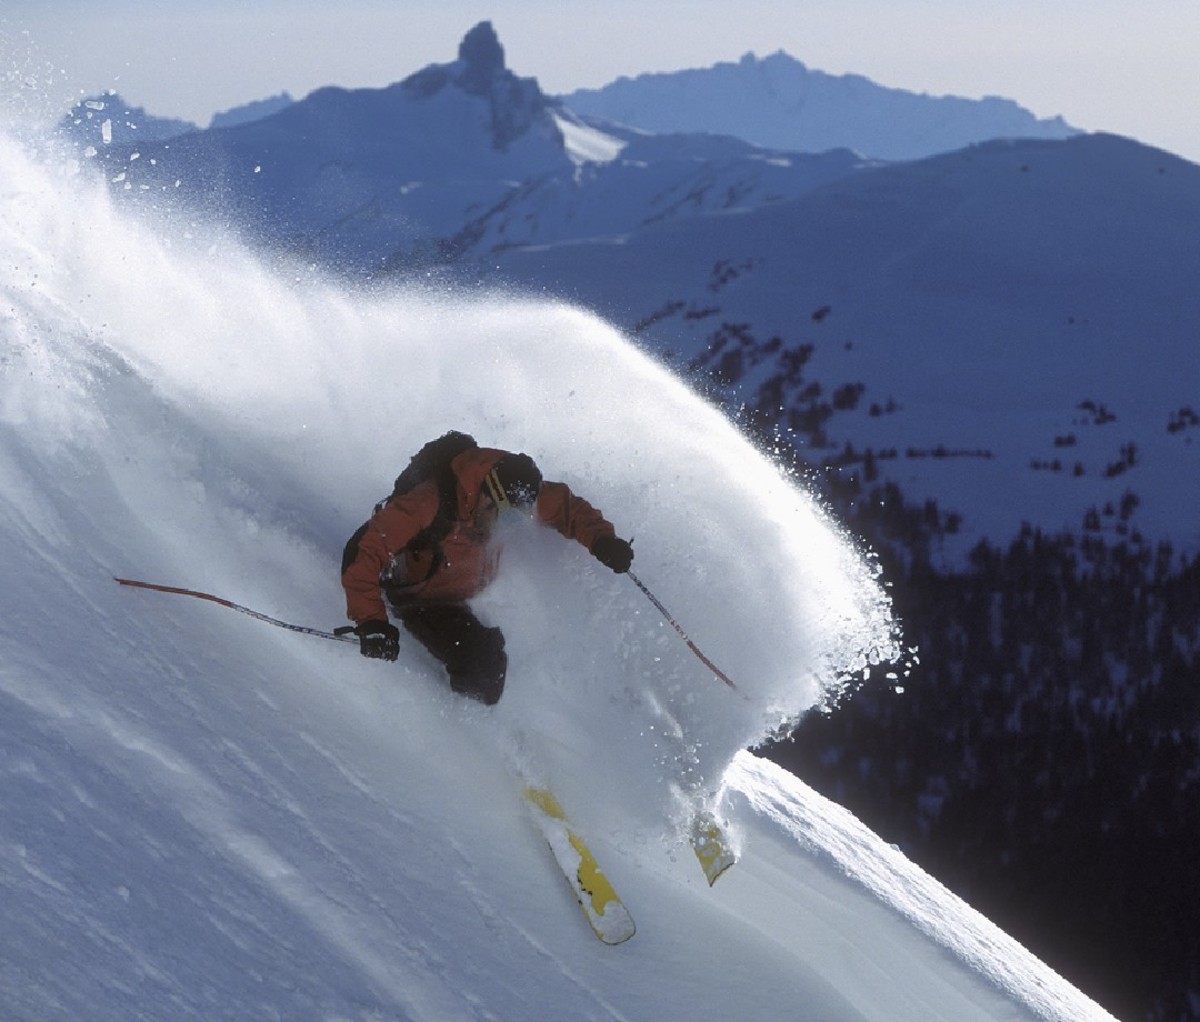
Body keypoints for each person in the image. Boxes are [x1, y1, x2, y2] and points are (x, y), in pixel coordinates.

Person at [341, 438, 634, 705]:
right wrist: (372, 622)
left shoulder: (514, 497)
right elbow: (366, 552)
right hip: (415, 597)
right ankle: (444, 725)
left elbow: (567, 508)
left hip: (452, 594)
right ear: (485, 496)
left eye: (517, 521)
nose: (506, 528)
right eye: (505, 518)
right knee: (481, 667)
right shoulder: (427, 503)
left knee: (489, 671)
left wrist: (603, 541)